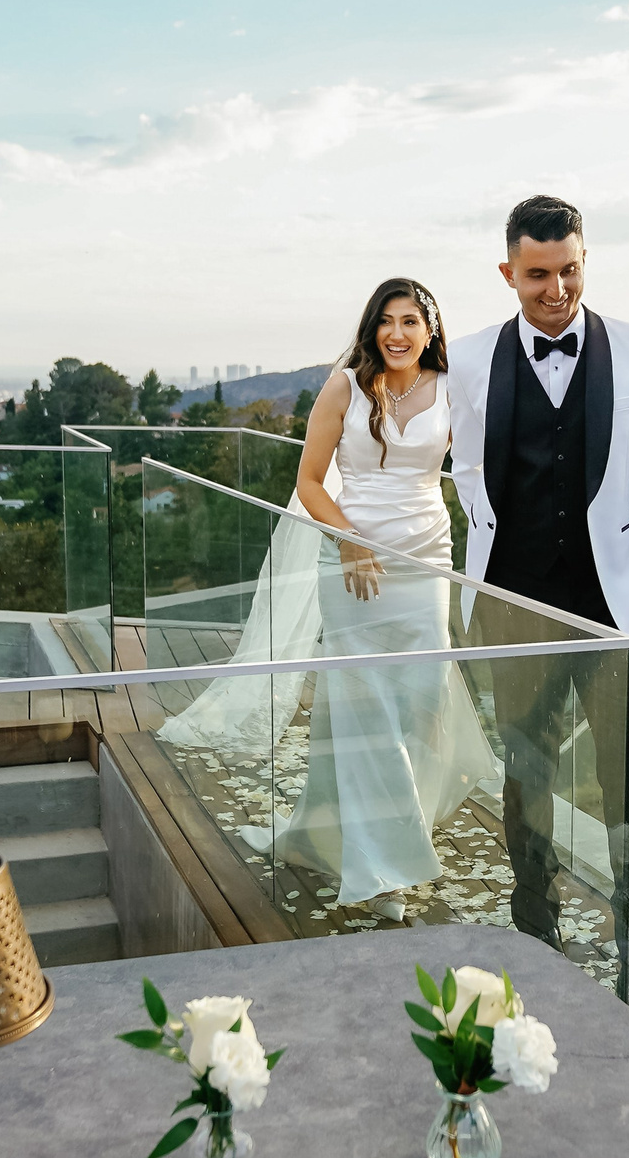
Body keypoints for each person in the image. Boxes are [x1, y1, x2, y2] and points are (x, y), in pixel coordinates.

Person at [165, 277, 498, 914]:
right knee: (364, 712)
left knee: (422, 704)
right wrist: (348, 541)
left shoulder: (453, 389)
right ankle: (382, 869)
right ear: (373, 328)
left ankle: (375, 828)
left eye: (410, 321)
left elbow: (481, 470)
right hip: (352, 568)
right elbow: (311, 482)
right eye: (387, 321)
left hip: (426, 562)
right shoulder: (344, 387)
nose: (397, 334)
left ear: (430, 330)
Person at [447, 195, 629, 1032]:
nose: (556, 290)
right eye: (539, 274)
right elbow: (442, 457)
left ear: (585, 261)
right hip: (513, 606)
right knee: (528, 779)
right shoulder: (469, 358)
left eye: (570, 270)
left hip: (615, 613)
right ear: (509, 272)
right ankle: (536, 945)